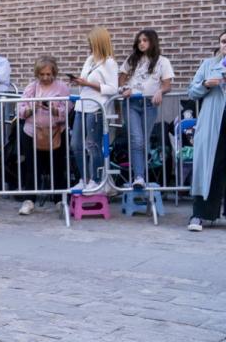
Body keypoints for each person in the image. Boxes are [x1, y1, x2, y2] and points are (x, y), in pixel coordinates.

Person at [119, 29, 175, 190]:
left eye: (145, 40)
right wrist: (123, 89)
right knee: (136, 140)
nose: (141, 43)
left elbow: (167, 85)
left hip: (150, 105)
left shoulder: (163, 61)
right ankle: (139, 177)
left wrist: (160, 91)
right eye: (139, 41)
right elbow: (121, 77)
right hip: (132, 104)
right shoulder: (132, 59)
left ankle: (141, 175)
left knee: (144, 141)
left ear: (152, 42)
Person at [15, 56, 70, 215]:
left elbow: (68, 111)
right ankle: (29, 200)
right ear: (37, 74)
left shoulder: (62, 87)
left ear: (54, 73)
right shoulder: (31, 87)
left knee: (57, 166)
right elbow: (20, 109)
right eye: (42, 74)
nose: (45, 77)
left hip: (55, 132)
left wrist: (53, 109)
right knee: (32, 167)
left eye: (49, 74)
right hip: (32, 132)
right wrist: (32, 108)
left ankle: (59, 200)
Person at [68, 27, 118, 192]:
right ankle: (84, 178)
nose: (89, 44)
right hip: (82, 105)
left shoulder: (109, 62)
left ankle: (95, 180)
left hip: (96, 107)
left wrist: (87, 83)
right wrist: (79, 82)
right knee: (75, 143)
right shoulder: (90, 60)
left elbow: (112, 88)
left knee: (92, 144)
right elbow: (87, 81)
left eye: (91, 41)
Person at [186, 29, 226, 232]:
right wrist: (206, 84)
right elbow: (191, 91)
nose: (225, 45)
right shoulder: (209, 65)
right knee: (206, 167)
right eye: (223, 41)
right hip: (212, 125)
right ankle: (199, 214)